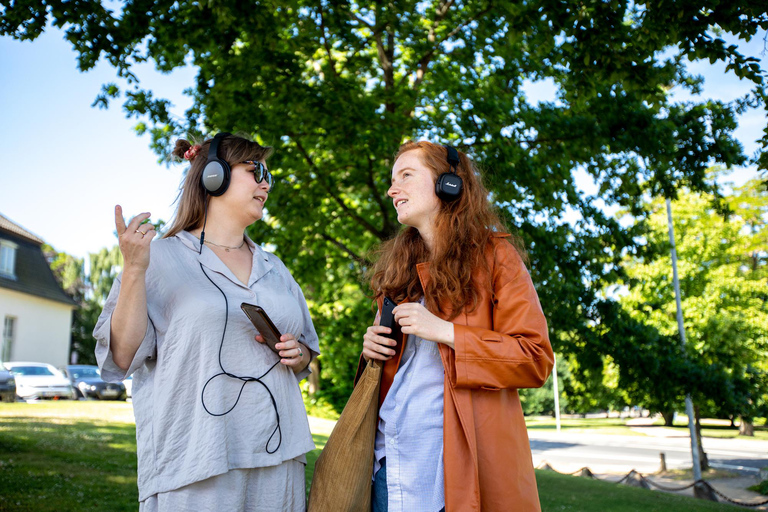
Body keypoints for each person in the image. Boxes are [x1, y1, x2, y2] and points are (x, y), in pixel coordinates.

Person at [94, 133, 319, 512]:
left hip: (278, 459)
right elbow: (121, 355)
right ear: (214, 177)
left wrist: (299, 356)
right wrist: (133, 270)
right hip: (197, 463)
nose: (266, 182)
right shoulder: (158, 258)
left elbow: (306, 352)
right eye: (256, 170)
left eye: (270, 175)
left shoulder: (276, 268)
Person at [361, 141, 554, 512]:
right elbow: (401, 377)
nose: (391, 189)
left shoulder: (498, 256)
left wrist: (446, 332)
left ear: (448, 183)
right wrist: (372, 349)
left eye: (406, 175)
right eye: (391, 179)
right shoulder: (399, 270)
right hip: (389, 465)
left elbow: (534, 357)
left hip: (454, 475)